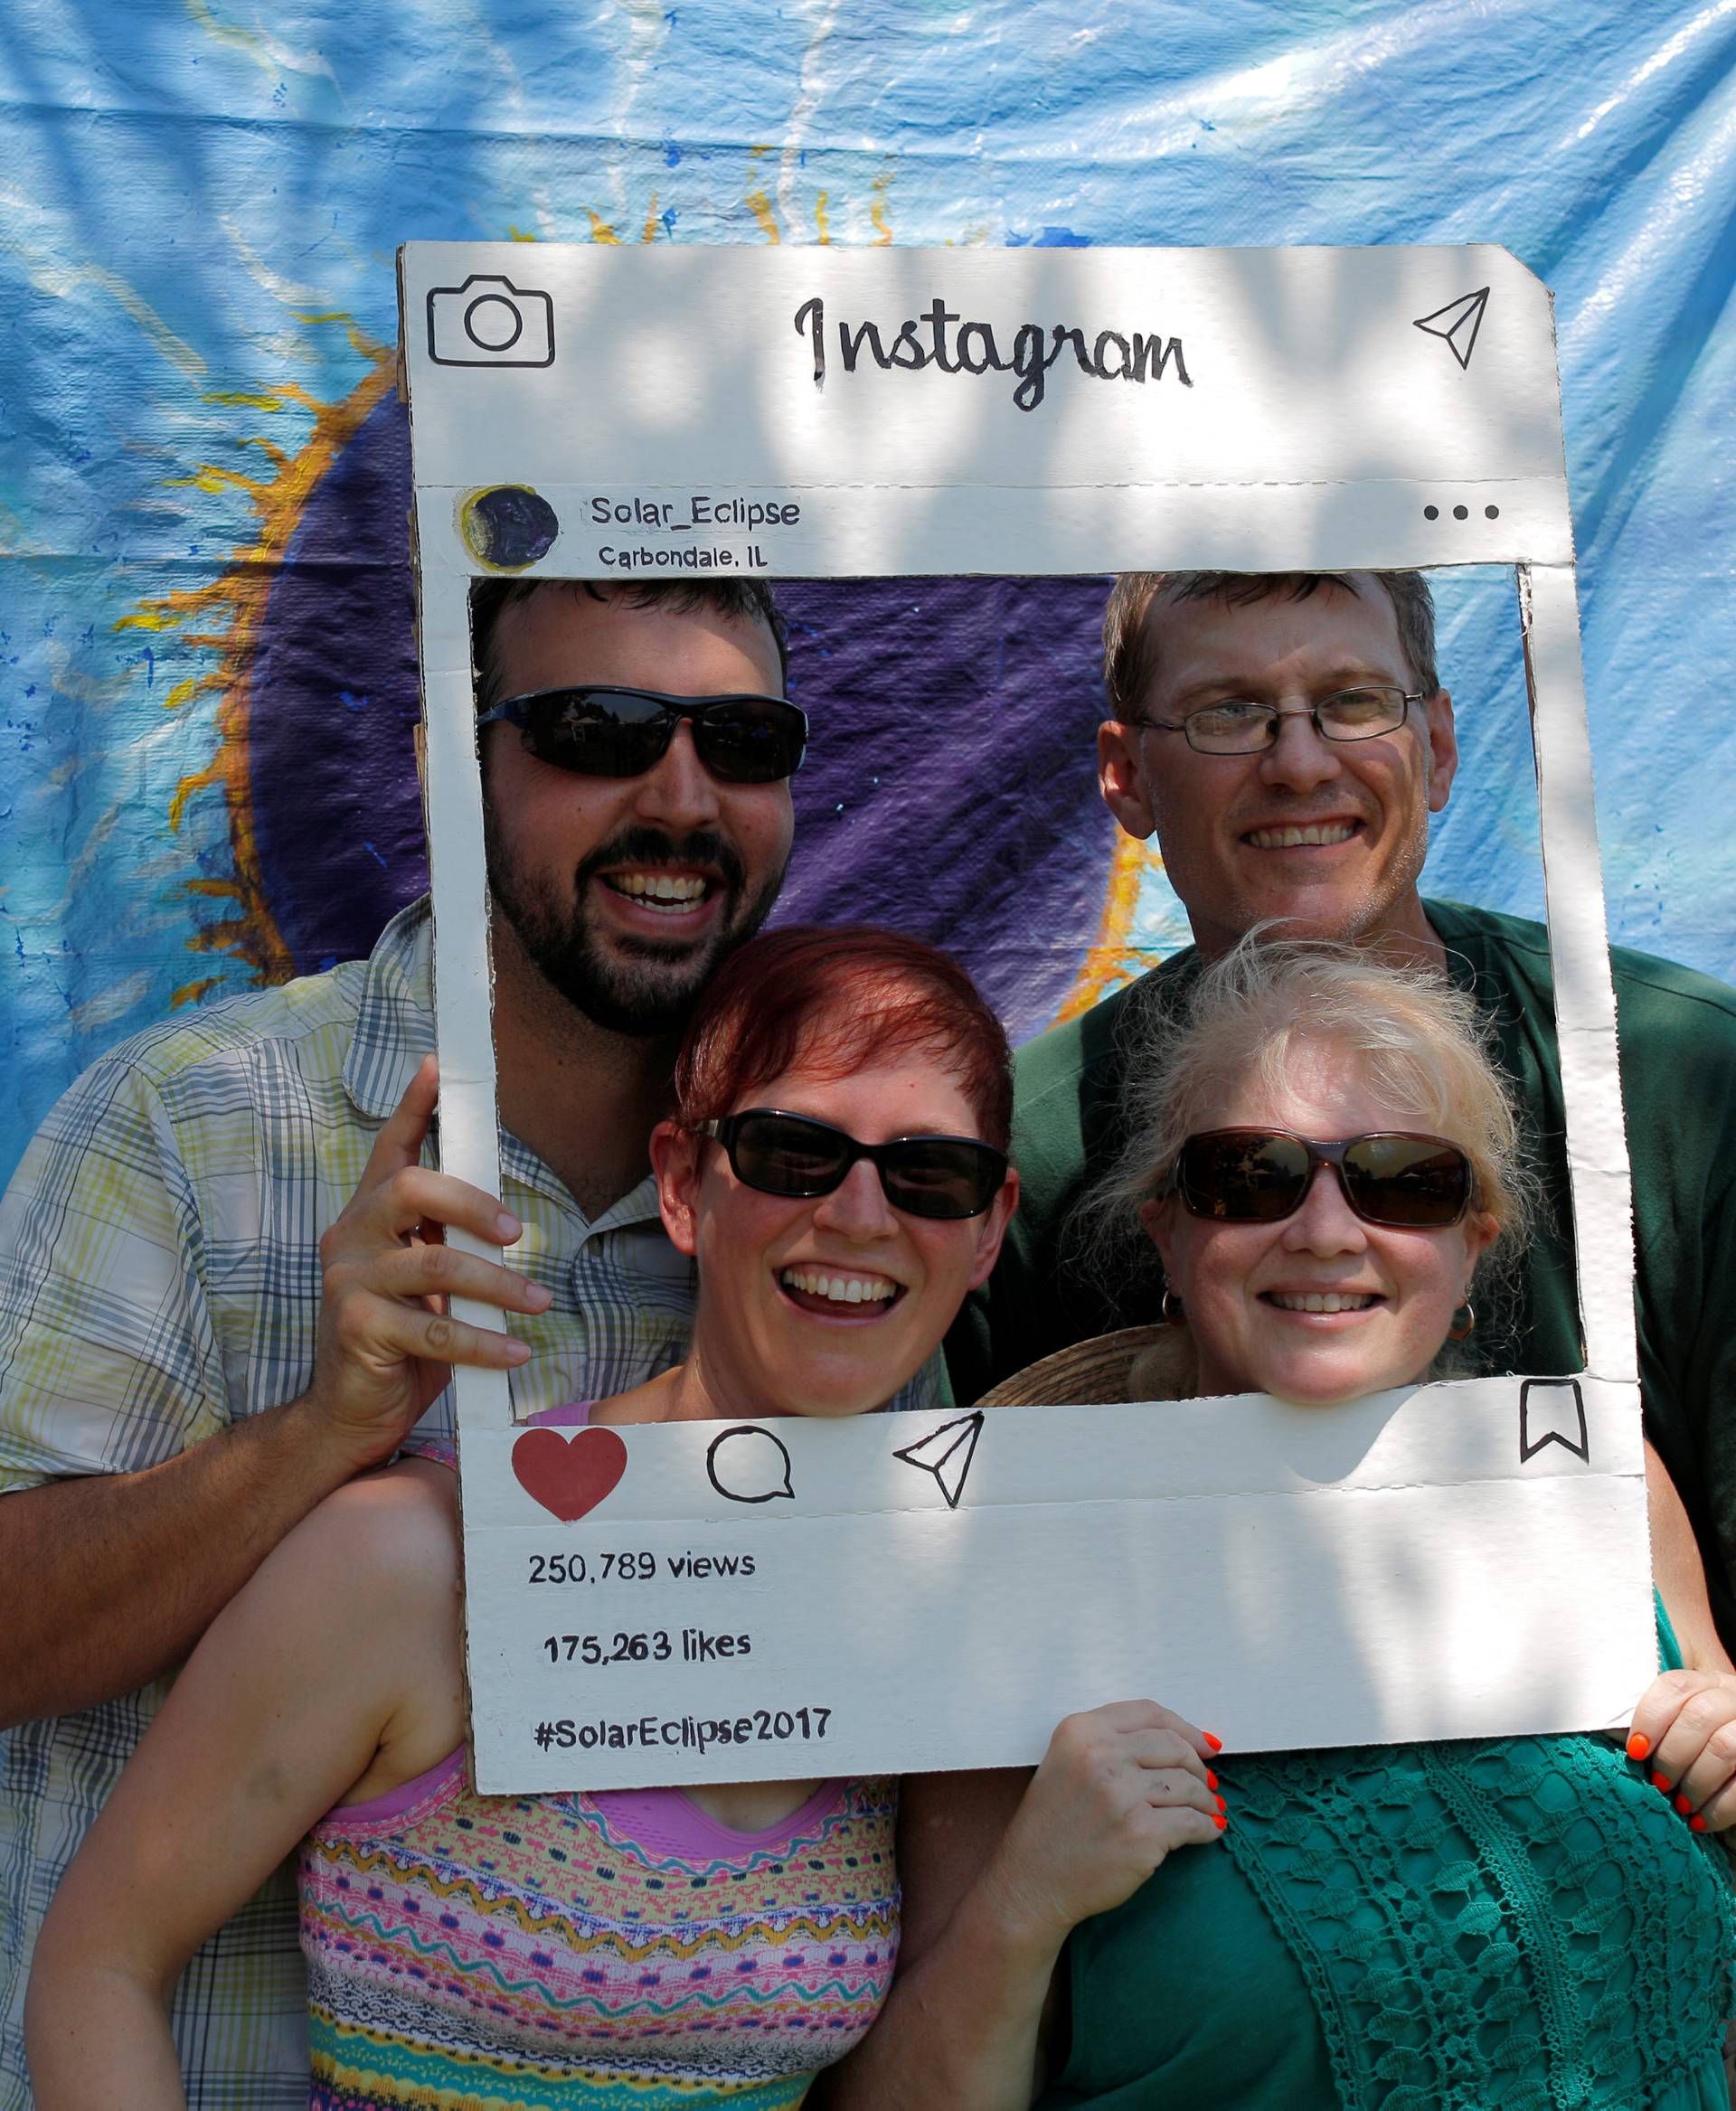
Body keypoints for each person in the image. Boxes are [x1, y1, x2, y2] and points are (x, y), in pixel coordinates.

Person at [0, 576, 920, 2106]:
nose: (681, 798)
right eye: (598, 730)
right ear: (450, 761)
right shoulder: (192, 1123)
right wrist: (316, 1441)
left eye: (743, 741)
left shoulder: (830, 1219)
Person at [24, 925, 1019, 2108]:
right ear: (683, 1184)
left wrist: (1043, 1887)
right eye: (792, 1151)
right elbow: (96, 1964)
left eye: (929, 1172)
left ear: (991, 1225)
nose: (860, 1210)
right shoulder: (414, 1563)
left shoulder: (949, 1600)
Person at [829, 940, 1736, 2111]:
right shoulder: (1006, 1567)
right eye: (1250, 1176)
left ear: (1475, 1242)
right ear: (1165, 1230)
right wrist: (1024, 1899)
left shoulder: (1610, 1490)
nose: (1322, 1228)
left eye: (1402, 1177)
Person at [948, 568, 1736, 1647]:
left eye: (1355, 701)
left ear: (1440, 746)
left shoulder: (1687, 1080)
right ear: (1127, 774)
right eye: (1230, 712)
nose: (1301, 761)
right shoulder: (1011, 1161)